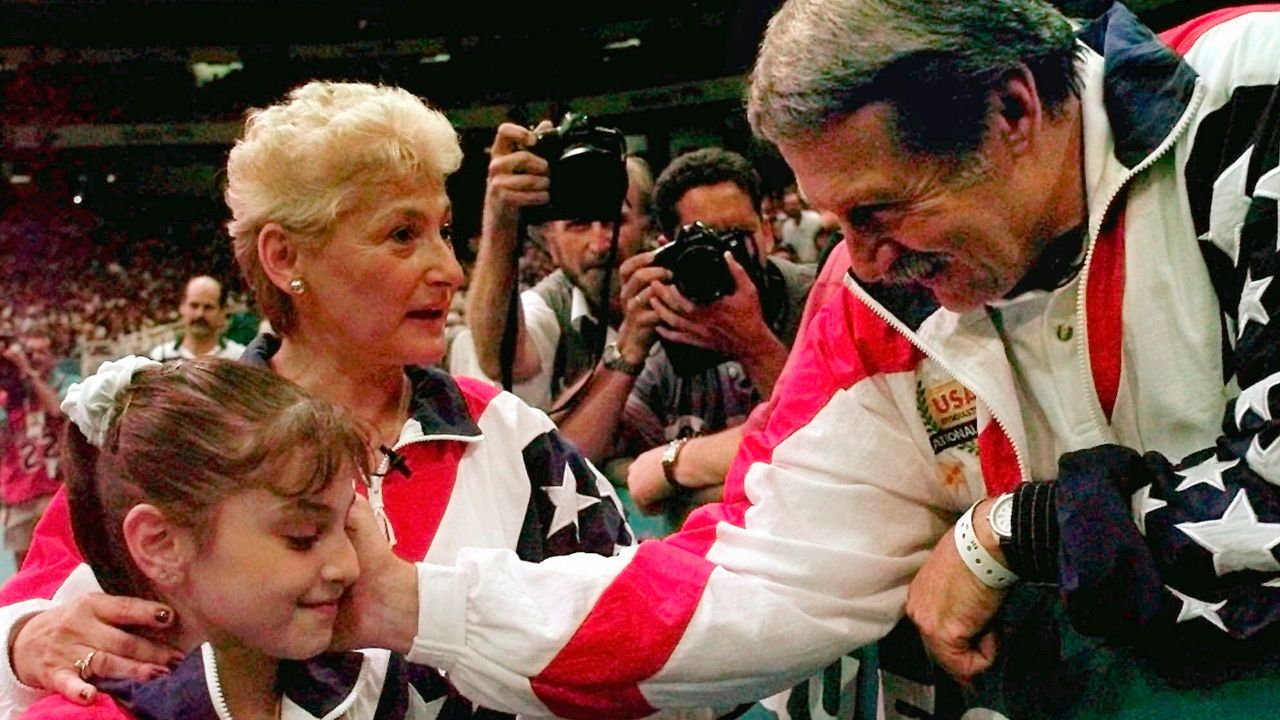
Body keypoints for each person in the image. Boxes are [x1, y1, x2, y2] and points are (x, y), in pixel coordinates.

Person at [302, 3, 1280, 717]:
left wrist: (1008, 532)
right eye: (833, 222)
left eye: (876, 209)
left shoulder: (1253, 93)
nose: (858, 258)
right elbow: (732, 593)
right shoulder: (870, 307)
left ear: (1013, 111)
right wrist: (406, 602)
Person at [0, 81, 630, 719]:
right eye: (402, 235)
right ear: (283, 256)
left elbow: (633, 625)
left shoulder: (510, 436)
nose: (449, 269)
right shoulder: (185, 432)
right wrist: (23, 639)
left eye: (443, 230)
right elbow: (32, 609)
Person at [24, 355, 451, 719]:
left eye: (347, 526)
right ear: (161, 544)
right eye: (302, 536)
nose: (349, 566)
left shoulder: (385, 684)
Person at [563, 148, 814, 519]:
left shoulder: (816, 299)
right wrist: (629, 345)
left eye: (737, 236)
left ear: (766, 230)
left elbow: (836, 442)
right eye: (707, 242)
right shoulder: (667, 317)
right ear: (670, 246)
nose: (727, 258)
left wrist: (754, 344)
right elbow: (568, 463)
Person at [456, 138, 656, 413]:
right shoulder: (550, 304)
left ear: (648, 228)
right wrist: (501, 215)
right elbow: (498, 359)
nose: (599, 245)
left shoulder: (678, 287)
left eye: (614, 220)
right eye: (579, 225)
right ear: (551, 244)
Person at [0, 329, 77, 568]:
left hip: (55, 489)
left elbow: (58, 410)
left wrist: (29, 374)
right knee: (24, 568)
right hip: (19, 492)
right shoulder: (11, 392)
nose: (35, 357)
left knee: (64, 562)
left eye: (42, 352)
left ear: (54, 356)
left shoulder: (69, 383)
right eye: (29, 352)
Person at [146, 276, 246, 362]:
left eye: (208, 307)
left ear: (222, 311)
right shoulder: (161, 356)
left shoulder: (238, 358)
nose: (199, 314)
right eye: (194, 305)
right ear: (182, 307)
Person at [776, 185, 823, 264]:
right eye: (789, 205)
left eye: (794, 204)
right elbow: (789, 248)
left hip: (817, 262)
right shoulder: (786, 227)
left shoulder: (815, 219)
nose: (792, 208)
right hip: (799, 266)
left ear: (800, 204)